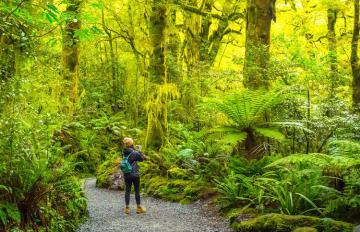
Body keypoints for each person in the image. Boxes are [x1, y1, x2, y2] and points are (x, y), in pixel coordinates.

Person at [122, 137, 146, 215]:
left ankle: (127, 208)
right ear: (131, 144)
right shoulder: (134, 153)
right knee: (137, 191)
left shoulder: (123, 152)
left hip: (126, 174)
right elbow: (142, 159)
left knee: (127, 190)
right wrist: (139, 151)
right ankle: (139, 208)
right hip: (135, 174)